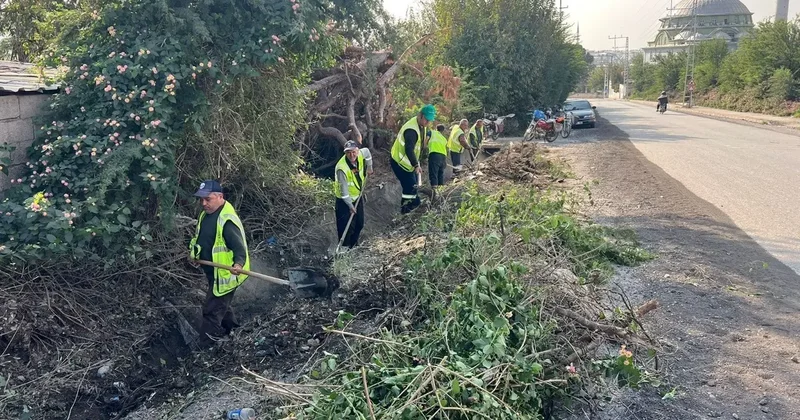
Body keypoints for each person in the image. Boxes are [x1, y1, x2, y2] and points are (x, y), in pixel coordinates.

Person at [188, 180, 249, 343]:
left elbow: (239, 248)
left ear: (220, 196)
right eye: (201, 199)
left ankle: (206, 346)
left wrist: (238, 264)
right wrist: (195, 255)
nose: (203, 203)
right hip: (213, 273)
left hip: (225, 275)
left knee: (211, 310)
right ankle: (234, 331)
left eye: (207, 199)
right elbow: (200, 239)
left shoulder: (226, 220)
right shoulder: (206, 215)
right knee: (222, 305)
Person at [391, 104, 435, 214]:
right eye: (426, 120)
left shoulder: (421, 125)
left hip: (408, 163)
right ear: (420, 115)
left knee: (411, 187)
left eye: (429, 121)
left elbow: (419, 145)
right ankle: (407, 211)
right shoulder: (411, 130)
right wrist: (416, 165)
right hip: (400, 163)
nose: (428, 123)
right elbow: (409, 149)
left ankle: (410, 207)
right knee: (410, 188)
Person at [334, 140, 373, 249]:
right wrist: (350, 206)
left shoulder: (360, 154)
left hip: (357, 196)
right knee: (345, 227)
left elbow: (367, 152)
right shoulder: (341, 168)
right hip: (344, 201)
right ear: (345, 153)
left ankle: (353, 245)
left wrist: (369, 167)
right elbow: (344, 191)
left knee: (359, 223)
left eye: (353, 152)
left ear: (357, 150)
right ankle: (344, 249)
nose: (352, 155)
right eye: (348, 153)